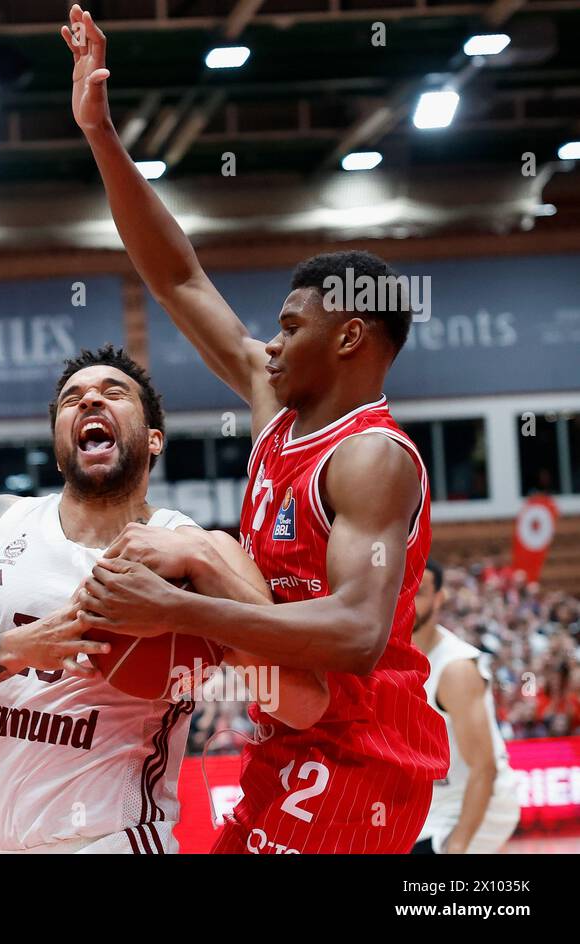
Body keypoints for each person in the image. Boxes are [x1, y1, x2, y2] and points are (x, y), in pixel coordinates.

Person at [63, 5, 448, 853]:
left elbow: (353, 635)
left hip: (360, 755)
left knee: (206, 546)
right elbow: (176, 277)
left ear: (350, 337)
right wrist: (101, 136)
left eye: (290, 325)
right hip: (290, 730)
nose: (269, 342)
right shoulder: (277, 407)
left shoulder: (372, 459)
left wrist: (179, 596)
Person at [0, 345, 326, 853]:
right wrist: (17, 649)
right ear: (57, 446)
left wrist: (198, 580)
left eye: (114, 393)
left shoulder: (198, 548)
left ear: (154, 439)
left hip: (113, 841)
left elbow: (302, 702)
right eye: (73, 398)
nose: (90, 399)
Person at [411, 561, 521, 853]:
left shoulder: (455, 670)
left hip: (475, 802)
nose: (407, 600)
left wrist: (459, 844)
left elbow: (484, 769)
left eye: (418, 592)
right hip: (429, 803)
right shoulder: (388, 655)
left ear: (439, 598)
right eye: (401, 590)